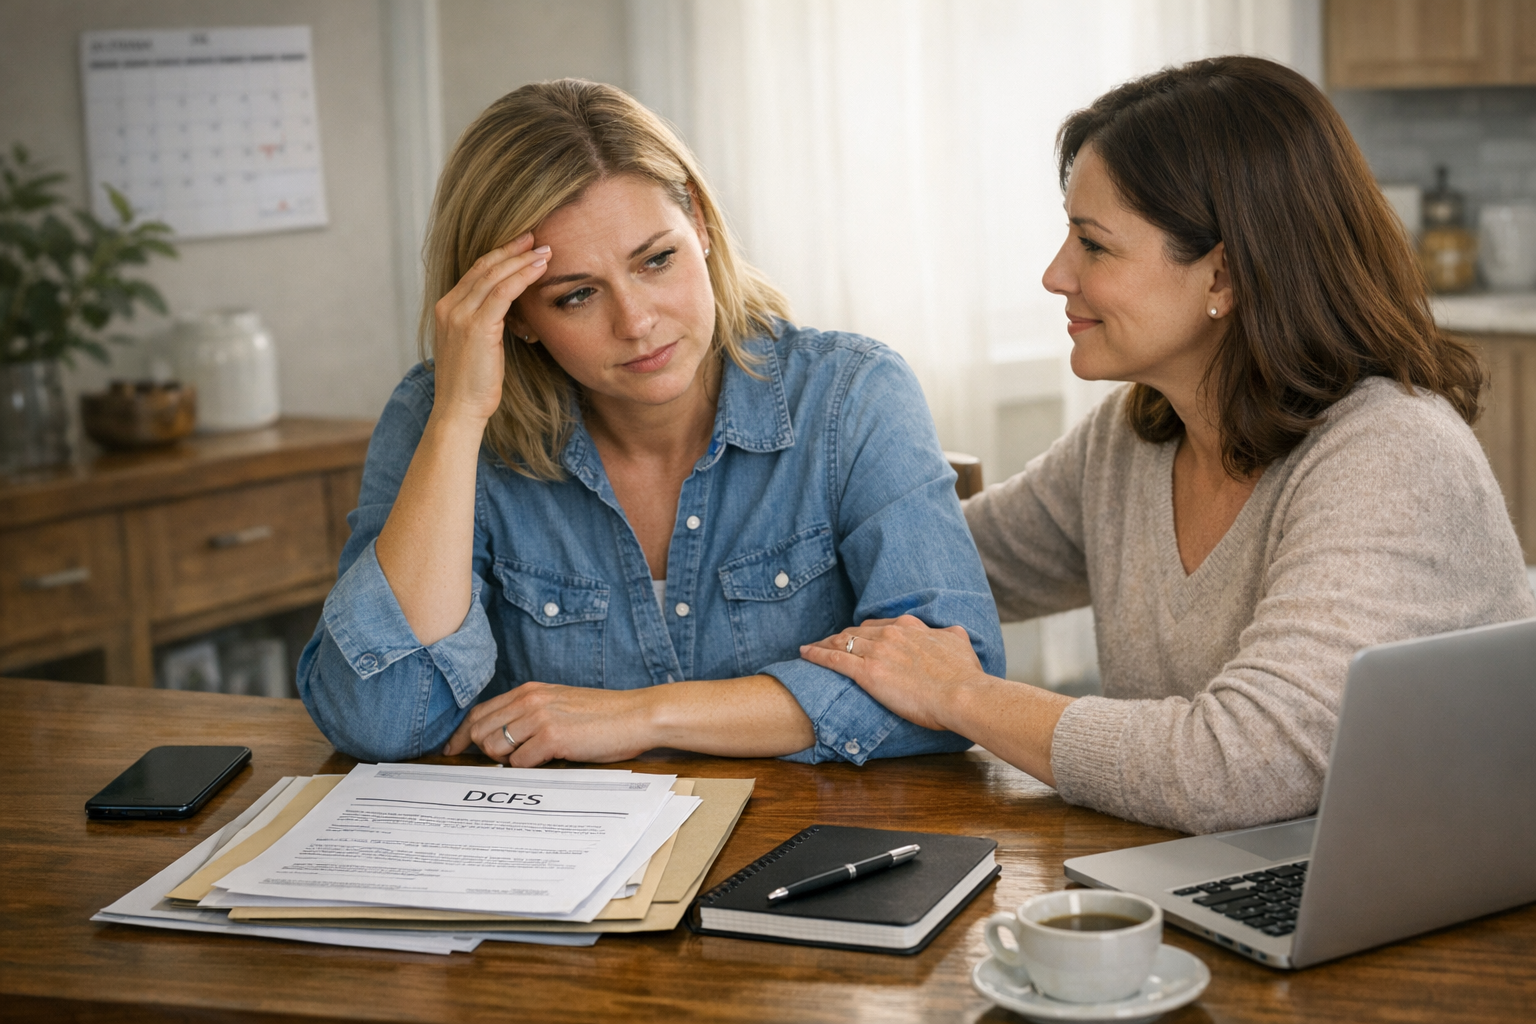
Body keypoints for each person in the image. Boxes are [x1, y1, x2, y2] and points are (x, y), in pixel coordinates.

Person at [802, 56, 1536, 834]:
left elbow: (1240, 768)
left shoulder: (1391, 456)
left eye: (1094, 245)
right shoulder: (1134, 440)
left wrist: (962, 694)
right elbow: (943, 569)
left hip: (1440, 910)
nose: (1056, 275)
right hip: (1231, 874)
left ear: (1224, 275)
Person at [296, 79, 1002, 766]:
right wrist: (456, 418)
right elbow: (382, 720)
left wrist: (643, 716)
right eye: (575, 296)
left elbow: (957, 688)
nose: (636, 324)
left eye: (656, 260)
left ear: (698, 223)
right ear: (516, 317)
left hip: (806, 857)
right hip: (552, 863)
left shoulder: (851, 395)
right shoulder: (437, 414)